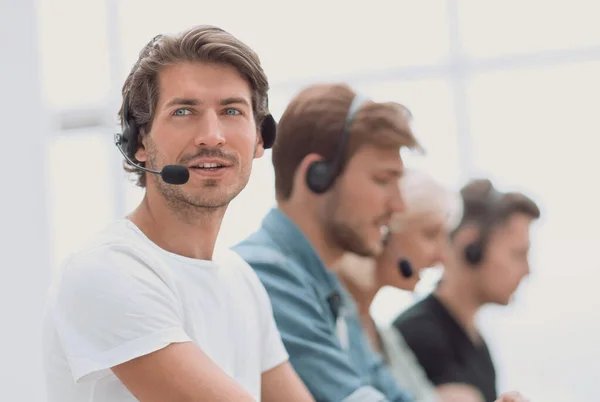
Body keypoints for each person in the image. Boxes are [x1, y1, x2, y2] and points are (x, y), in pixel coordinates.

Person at [42, 25, 314, 402]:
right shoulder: (107, 269)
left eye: (231, 110)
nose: (212, 136)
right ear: (139, 142)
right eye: (184, 111)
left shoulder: (241, 279)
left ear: (260, 138)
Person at [232, 84, 530, 402]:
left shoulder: (331, 292)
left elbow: (396, 394)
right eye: (383, 180)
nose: (398, 205)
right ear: (316, 176)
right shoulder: (265, 276)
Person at [335, 169, 478, 402]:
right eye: (430, 235)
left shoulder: (386, 337)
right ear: (384, 232)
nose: (443, 256)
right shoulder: (333, 321)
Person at [393, 178, 541, 402]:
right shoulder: (420, 332)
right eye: (517, 254)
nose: (527, 270)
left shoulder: (476, 342)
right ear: (471, 247)